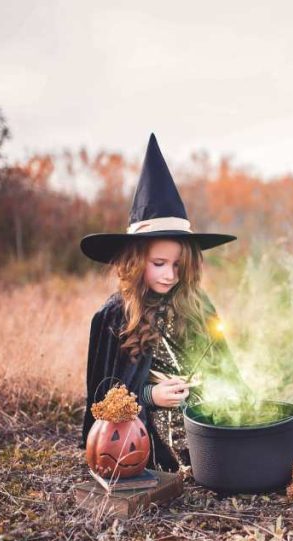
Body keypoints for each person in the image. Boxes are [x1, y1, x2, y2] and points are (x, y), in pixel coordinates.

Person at [80, 134, 246, 471]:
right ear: (135, 261)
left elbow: (224, 367)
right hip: (144, 440)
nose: (169, 275)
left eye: (177, 266)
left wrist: (224, 395)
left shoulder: (196, 304)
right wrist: (148, 396)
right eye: (159, 264)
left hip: (207, 427)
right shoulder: (114, 317)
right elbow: (103, 399)